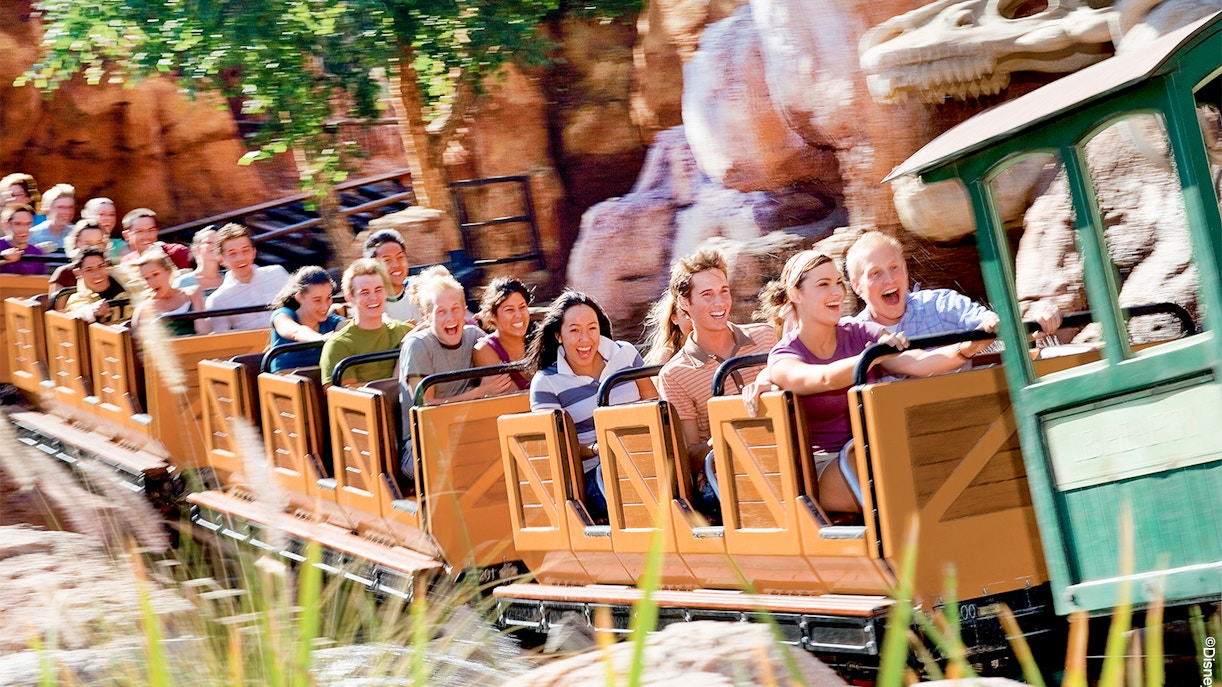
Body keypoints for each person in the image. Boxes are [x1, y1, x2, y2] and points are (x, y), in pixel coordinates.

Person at [762, 250, 993, 514]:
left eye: (839, 282)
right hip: (824, 466)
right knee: (882, 464)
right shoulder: (784, 355)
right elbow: (822, 378)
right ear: (796, 294)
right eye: (824, 285)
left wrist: (968, 347)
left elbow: (918, 363)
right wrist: (868, 358)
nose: (837, 292)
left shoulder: (860, 332)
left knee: (924, 444)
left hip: (876, 450)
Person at [657, 249, 776, 516]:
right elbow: (690, 455)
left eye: (724, 291)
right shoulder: (675, 373)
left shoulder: (766, 337)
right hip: (726, 474)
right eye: (707, 295)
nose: (720, 302)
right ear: (684, 303)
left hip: (780, 454)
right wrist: (726, 436)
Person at [527, 290, 658, 521]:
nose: (585, 339)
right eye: (574, 330)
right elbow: (557, 450)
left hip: (644, 457)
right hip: (595, 473)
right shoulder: (546, 382)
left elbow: (654, 405)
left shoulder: (625, 354)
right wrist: (600, 448)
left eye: (592, 328)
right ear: (558, 335)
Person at [845, 231, 1065, 340]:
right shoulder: (852, 335)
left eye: (894, 268)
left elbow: (992, 323)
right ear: (857, 286)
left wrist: (1035, 321)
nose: (889, 279)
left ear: (905, 270)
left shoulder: (940, 305)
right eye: (876, 273)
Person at [399, 265, 514, 405]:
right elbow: (425, 405)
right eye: (441, 311)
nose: (451, 317)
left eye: (455, 309)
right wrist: (480, 392)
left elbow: (502, 383)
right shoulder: (418, 345)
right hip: (433, 425)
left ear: (464, 310)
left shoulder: (474, 336)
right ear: (427, 317)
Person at [320, 259, 412, 385]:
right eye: (364, 292)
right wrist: (401, 362)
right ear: (350, 298)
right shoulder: (339, 345)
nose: (373, 298)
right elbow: (353, 398)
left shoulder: (402, 331)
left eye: (378, 290)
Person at [205, 223, 290, 332]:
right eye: (232, 253)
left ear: (254, 252)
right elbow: (222, 339)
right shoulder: (217, 300)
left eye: (246, 250)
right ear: (221, 259)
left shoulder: (277, 273)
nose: (241, 258)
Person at [268, 266, 347, 372]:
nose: (325, 306)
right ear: (300, 297)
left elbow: (350, 330)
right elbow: (296, 331)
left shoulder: (333, 322)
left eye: (328, 298)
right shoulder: (283, 315)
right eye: (317, 300)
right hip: (285, 382)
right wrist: (320, 338)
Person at [129, 250, 210, 338]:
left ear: (169, 271)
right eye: (146, 278)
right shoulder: (144, 309)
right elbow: (140, 345)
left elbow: (204, 332)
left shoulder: (192, 293)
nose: (152, 282)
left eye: (155, 274)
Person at [471, 277, 533, 391]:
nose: (519, 315)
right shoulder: (484, 349)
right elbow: (513, 397)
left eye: (522, 307)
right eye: (509, 310)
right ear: (493, 316)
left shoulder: (539, 339)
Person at [364, 229, 422, 324]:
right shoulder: (370, 302)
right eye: (387, 260)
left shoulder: (420, 289)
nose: (396, 265)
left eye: (400, 257)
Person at [63, 247, 133, 324]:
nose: (97, 275)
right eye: (89, 270)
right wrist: (92, 312)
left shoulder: (128, 283)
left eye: (100, 266)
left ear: (106, 265)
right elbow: (76, 314)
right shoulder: (78, 299)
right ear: (78, 273)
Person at [48, 220, 109, 292]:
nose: (94, 248)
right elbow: (56, 302)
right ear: (76, 243)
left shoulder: (113, 270)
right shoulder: (65, 273)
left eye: (99, 243)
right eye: (88, 244)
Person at [119, 208, 191, 269]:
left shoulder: (176, 253)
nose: (147, 236)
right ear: (126, 235)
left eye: (151, 230)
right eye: (139, 231)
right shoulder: (128, 262)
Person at [642, 290, 693, 365]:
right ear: (674, 319)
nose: (694, 320)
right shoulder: (667, 355)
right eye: (687, 315)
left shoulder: (714, 351)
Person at [0, 203, 48, 275]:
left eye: (28, 224)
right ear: (6, 224)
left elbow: (41, 282)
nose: (24, 229)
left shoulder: (37, 252)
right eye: (18, 224)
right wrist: (3, 259)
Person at [172, 227, 224, 293]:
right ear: (196, 249)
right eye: (209, 242)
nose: (215, 246)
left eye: (218, 242)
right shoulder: (183, 282)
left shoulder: (229, 278)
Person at [29, 183, 74, 250]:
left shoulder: (77, 235)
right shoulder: (31, 236)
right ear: (47, 209)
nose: (67, 212)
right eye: (60, 207)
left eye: (70, 207)